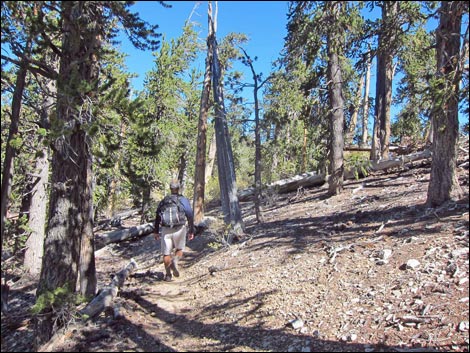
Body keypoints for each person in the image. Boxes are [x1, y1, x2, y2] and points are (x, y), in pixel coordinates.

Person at [153, 180, 194, 282]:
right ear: (178, 188)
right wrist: (191, 230)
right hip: (180, 228)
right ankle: (175, 259)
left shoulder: (164, 200)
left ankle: (168, 275)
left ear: (170, 189)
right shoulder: (183, 200)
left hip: (166, 229)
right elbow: (189, 214)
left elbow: (158, 216)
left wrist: (156, 231)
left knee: (166, 253)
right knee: (179, 249)